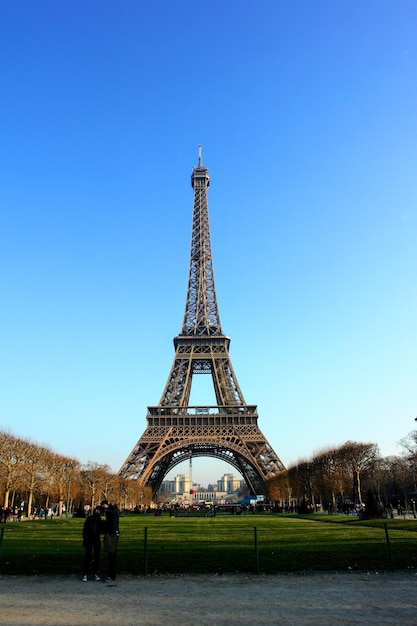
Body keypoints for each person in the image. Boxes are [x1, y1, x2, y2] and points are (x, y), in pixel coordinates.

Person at [82, 505, 103, 582]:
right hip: (89, 539)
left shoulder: (98, 519)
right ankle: (85, 573)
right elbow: (85, 529)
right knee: (88, 557)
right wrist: (85, 538)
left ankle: (94, 573)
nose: (97, 511)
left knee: (96, 557)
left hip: (96, 539)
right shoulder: (90, 519)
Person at [101, 500, 120, 581]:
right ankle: (112, 574)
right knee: (112, 554)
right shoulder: (113, 511)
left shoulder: (110, 512)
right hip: (113, 533)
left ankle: (111, 574)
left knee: (111, 554)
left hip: (111, 534)